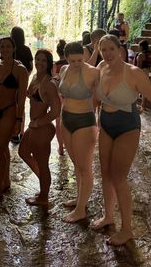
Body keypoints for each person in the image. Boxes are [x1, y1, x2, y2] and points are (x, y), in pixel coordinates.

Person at [92, 34, 151, 245]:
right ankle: (108, 215)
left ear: (120, 49)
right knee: (105, 173)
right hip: (106, 125)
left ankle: (127, 229)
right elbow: (92, 95)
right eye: (104, 49)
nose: (108, 53)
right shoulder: (101, 67)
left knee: (118, 177)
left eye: (111, 48)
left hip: (127, 127)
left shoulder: (134, 73)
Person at [58, 42, 99, 222]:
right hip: (66, 119)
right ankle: (79, 198)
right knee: (76, 163)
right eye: (73, 60)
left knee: (85, 166)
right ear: (66, 58)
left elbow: (106, 91)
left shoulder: (91, 71)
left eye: (80, 60)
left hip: (84, 121)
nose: (77, 64)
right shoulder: (64, 69)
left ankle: (81, 210)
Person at [0, 37, 28, 205]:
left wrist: (19, 120)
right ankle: (6, 181)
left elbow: (22, 98)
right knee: (2, 147)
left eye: (8, 46)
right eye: (2, 47)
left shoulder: (20, 70)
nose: (4, 49)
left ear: (13, 48)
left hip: (10, 110)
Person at [18, 49, 61, 206]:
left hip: (41, 127)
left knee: (43, 164)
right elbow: (28, 95)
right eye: (37, 60)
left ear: (49, 63)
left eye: (43, 60)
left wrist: (38, 122)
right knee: (22, 152)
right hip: (34, 125)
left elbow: (57, 110)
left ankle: (44, 197)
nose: (39, 63)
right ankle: (44, 185)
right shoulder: (36, 77)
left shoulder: (49, 84)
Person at [10, 26, 33, 143]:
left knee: (12, 105)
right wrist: (25, 77)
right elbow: (31, 66)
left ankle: (14, 133)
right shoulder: (26, 49)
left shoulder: (10, 49)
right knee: (21, 105)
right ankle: (22, 132)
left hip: (10, 81)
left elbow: (4, 64)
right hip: (23, 81)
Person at [53, 39, 68, 156]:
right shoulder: (70, 65)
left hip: (58, 96)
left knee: (58, 121)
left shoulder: (55, 65)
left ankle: (61, 147)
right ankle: (69, 144)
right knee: (67, 120)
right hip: (68, 96)